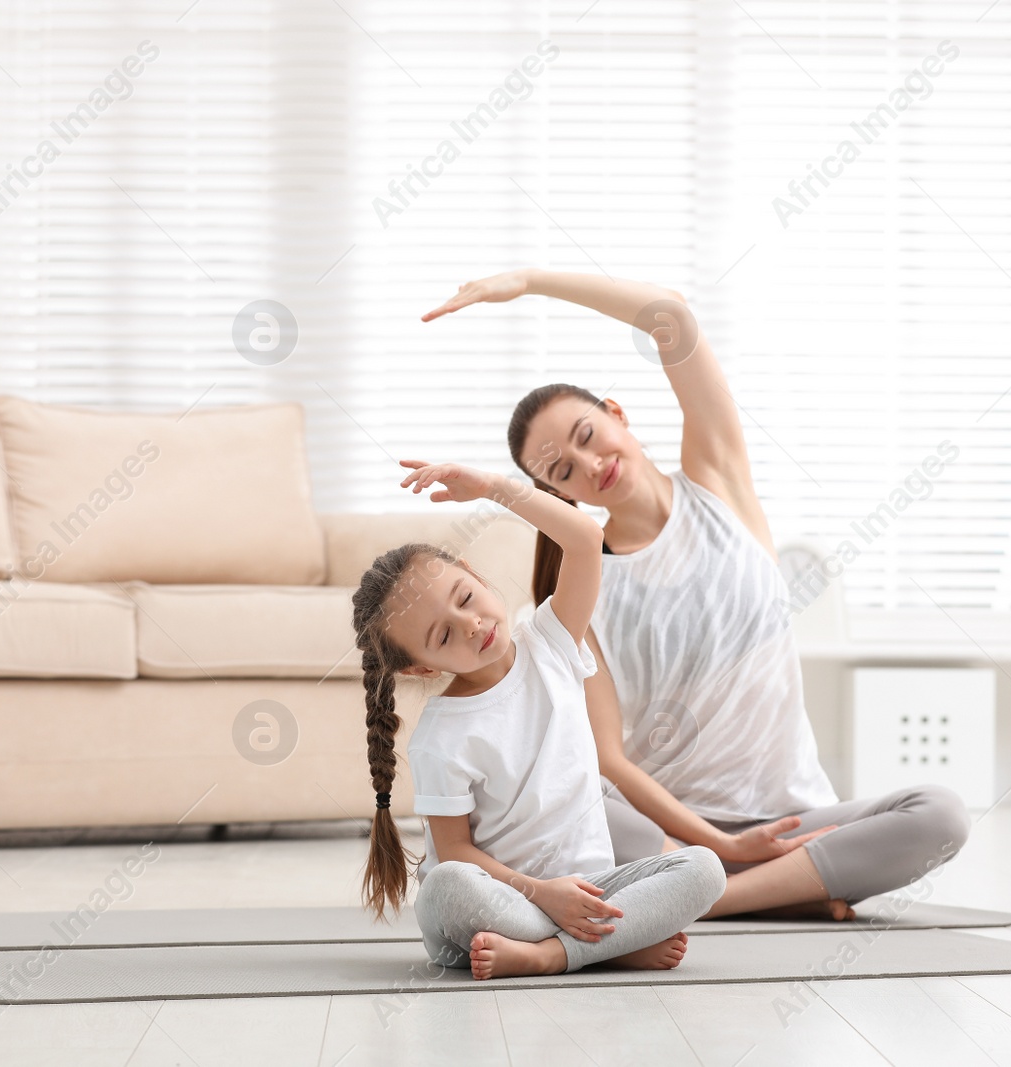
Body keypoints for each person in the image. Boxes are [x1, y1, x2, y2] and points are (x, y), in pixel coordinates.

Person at [422, 270, 971, 920]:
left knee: (940, 815)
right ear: (561, 495)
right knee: (577, 798)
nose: (590, 464)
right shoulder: (581, 590)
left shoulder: (718, 480)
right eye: (564, 471)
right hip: (671, 831)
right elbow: (608, 760)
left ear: (616, 414)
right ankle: (772, 886)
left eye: (587, 435)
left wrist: (531, 283)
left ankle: (709, 895)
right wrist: (710, 842)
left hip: (792, 817)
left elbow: (668, 315)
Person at [350, 459, 724, 979]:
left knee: (704, 869)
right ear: (422, 666)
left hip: (587, 891)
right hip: (502, 904)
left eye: (465, 598)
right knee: (445, 887)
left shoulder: (549, 642)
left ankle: (552, 955)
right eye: (442, 635)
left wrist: (495, 489)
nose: (472, 623)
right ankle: (604, 945)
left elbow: (586, 539)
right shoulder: (441, 738)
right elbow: (457, 852)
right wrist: (542, 894)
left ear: (477, 577)